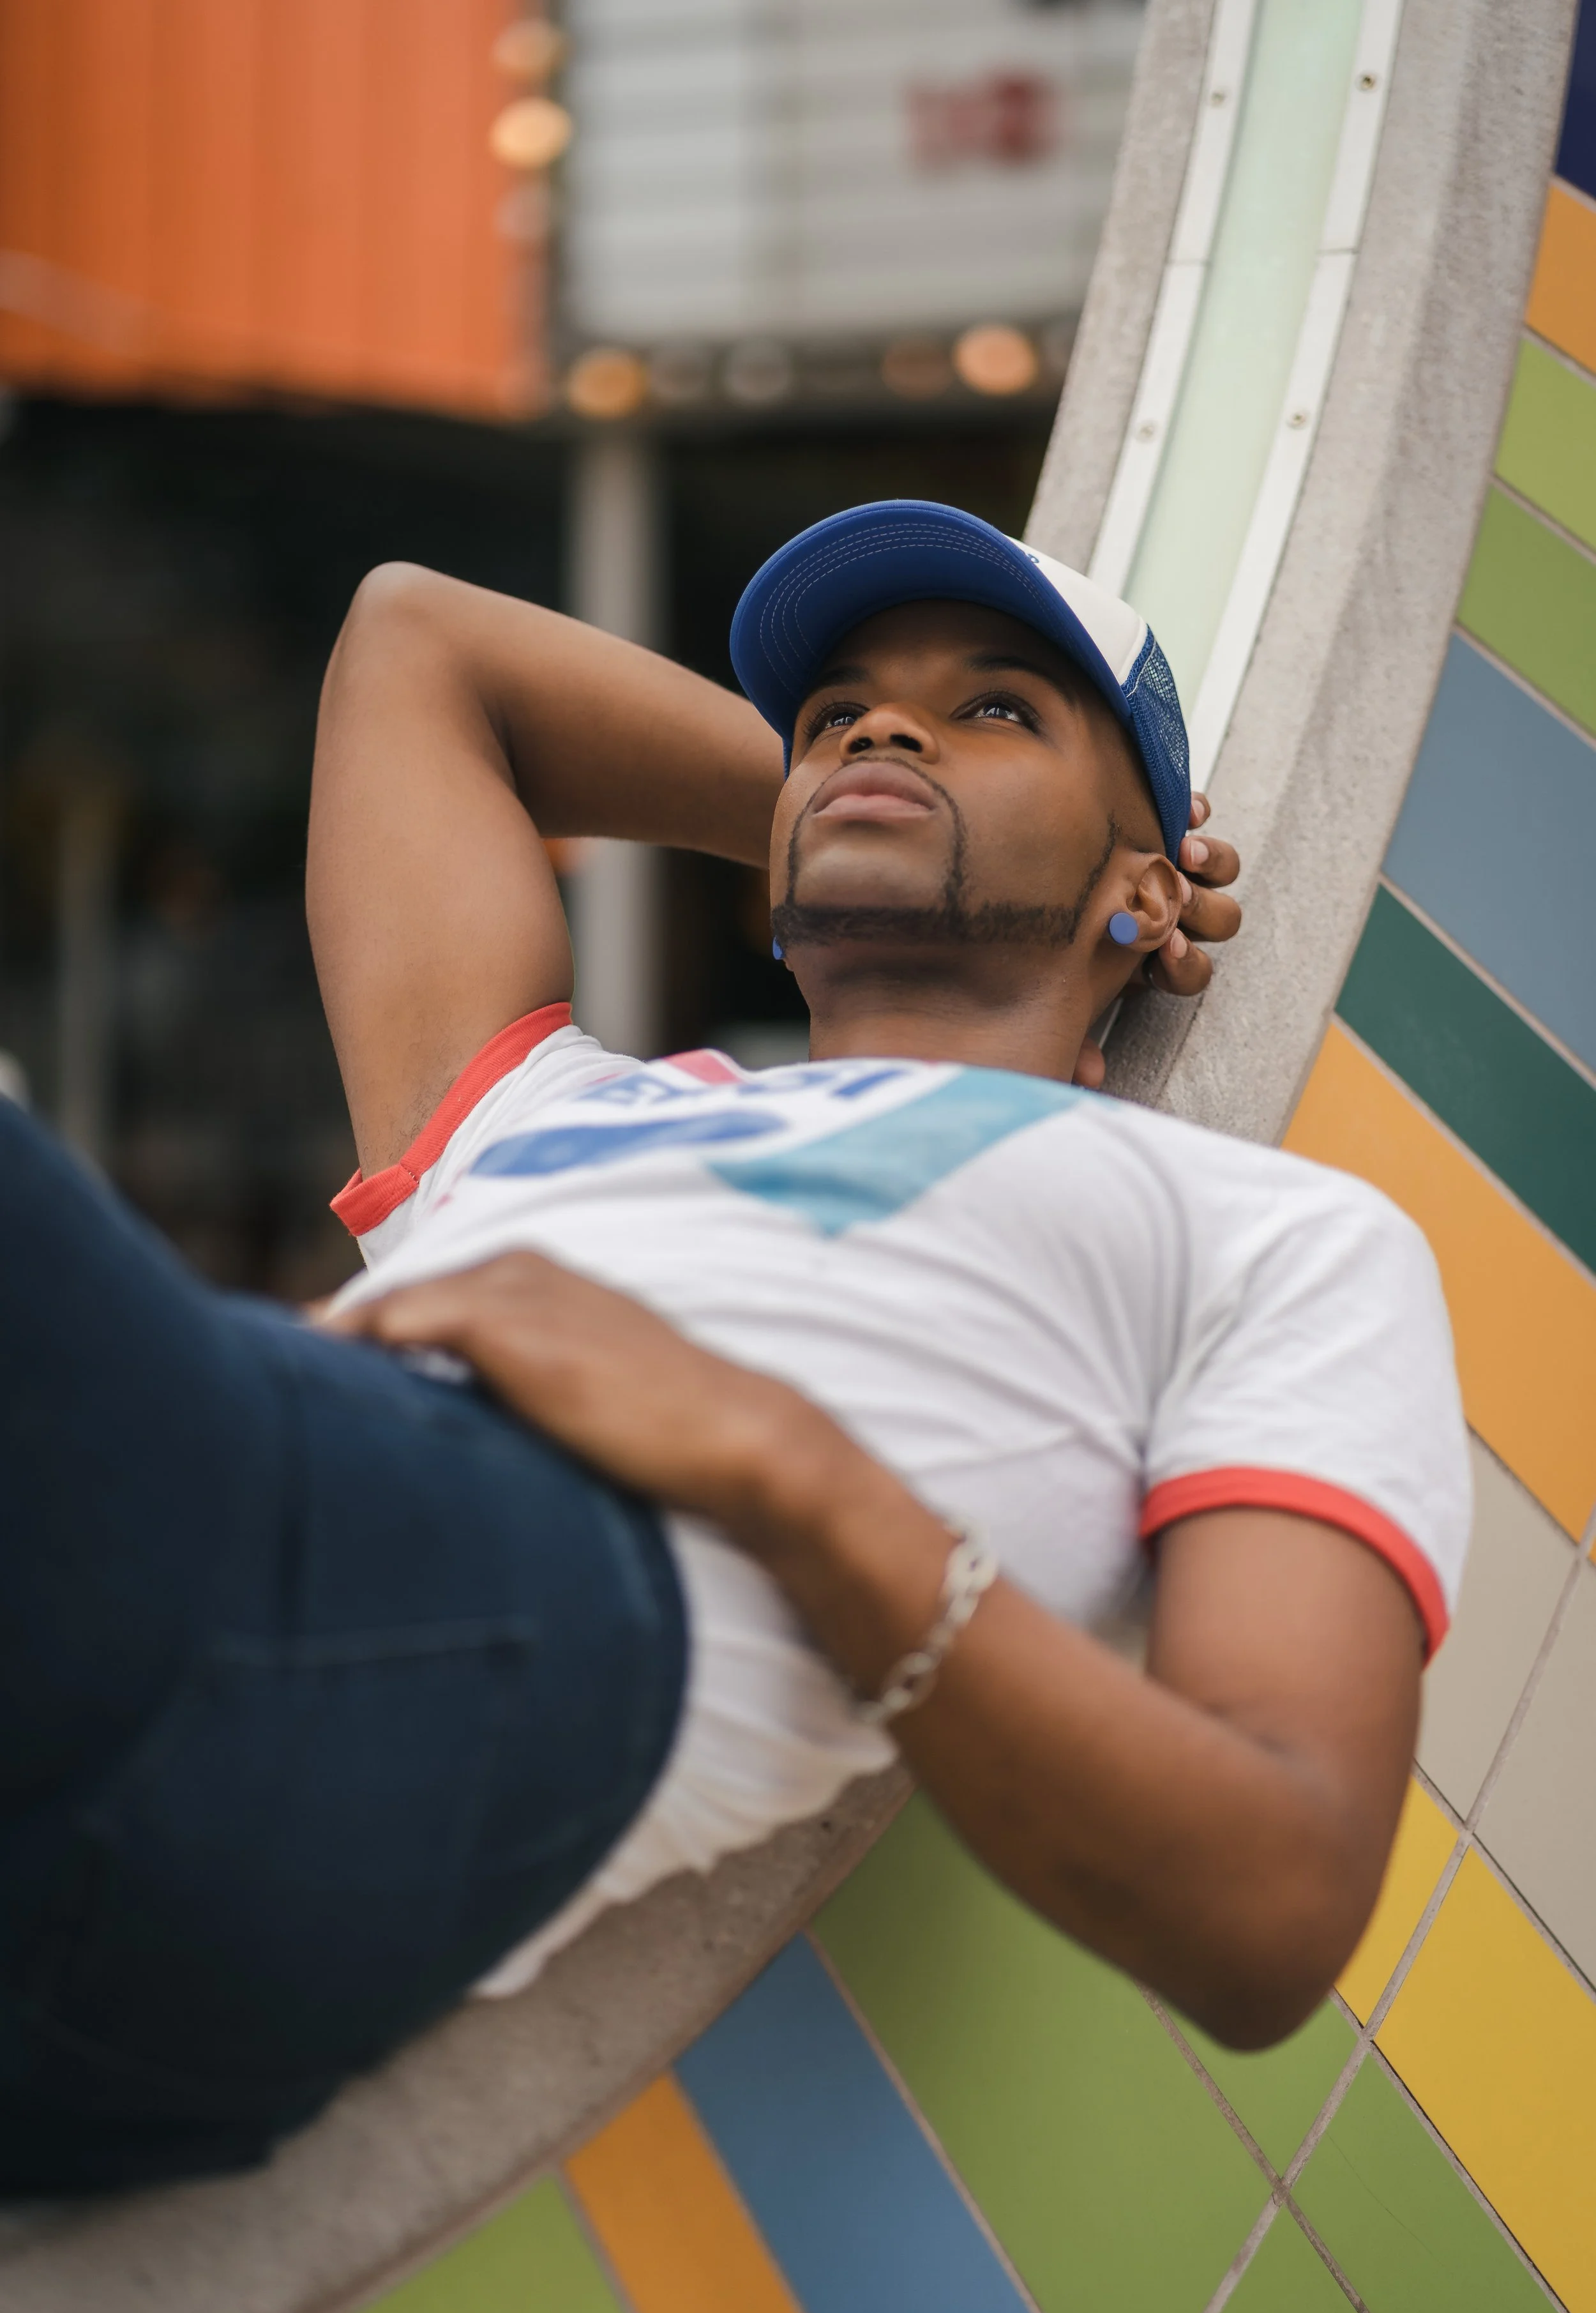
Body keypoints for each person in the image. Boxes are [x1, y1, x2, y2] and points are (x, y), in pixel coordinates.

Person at [0, 503, 1469, 2199]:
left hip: (446, 1664)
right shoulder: (552, 1110)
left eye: (994, 707)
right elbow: (415, 639)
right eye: (837, 711)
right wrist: (841, 803)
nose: (883, 726)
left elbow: (1272, 1901)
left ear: (1153, 887)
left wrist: (783, 1466)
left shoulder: (1265, 1232)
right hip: (192, 1605)